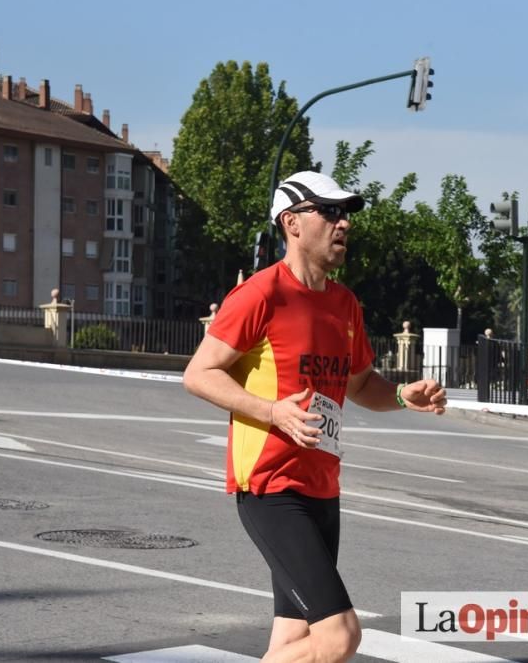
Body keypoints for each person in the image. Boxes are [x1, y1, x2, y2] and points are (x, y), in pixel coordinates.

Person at [183, 170, 447, 663]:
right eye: (329, 211)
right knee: (339, 636)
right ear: (292, 222)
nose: (342, 222)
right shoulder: (261, 295)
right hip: (270, 487)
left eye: (344, 213)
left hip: (323, 487)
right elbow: (199, 373)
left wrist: (405, 397)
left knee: (290, 642)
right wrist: (271, 412)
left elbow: (362, 385)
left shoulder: (345, 305)